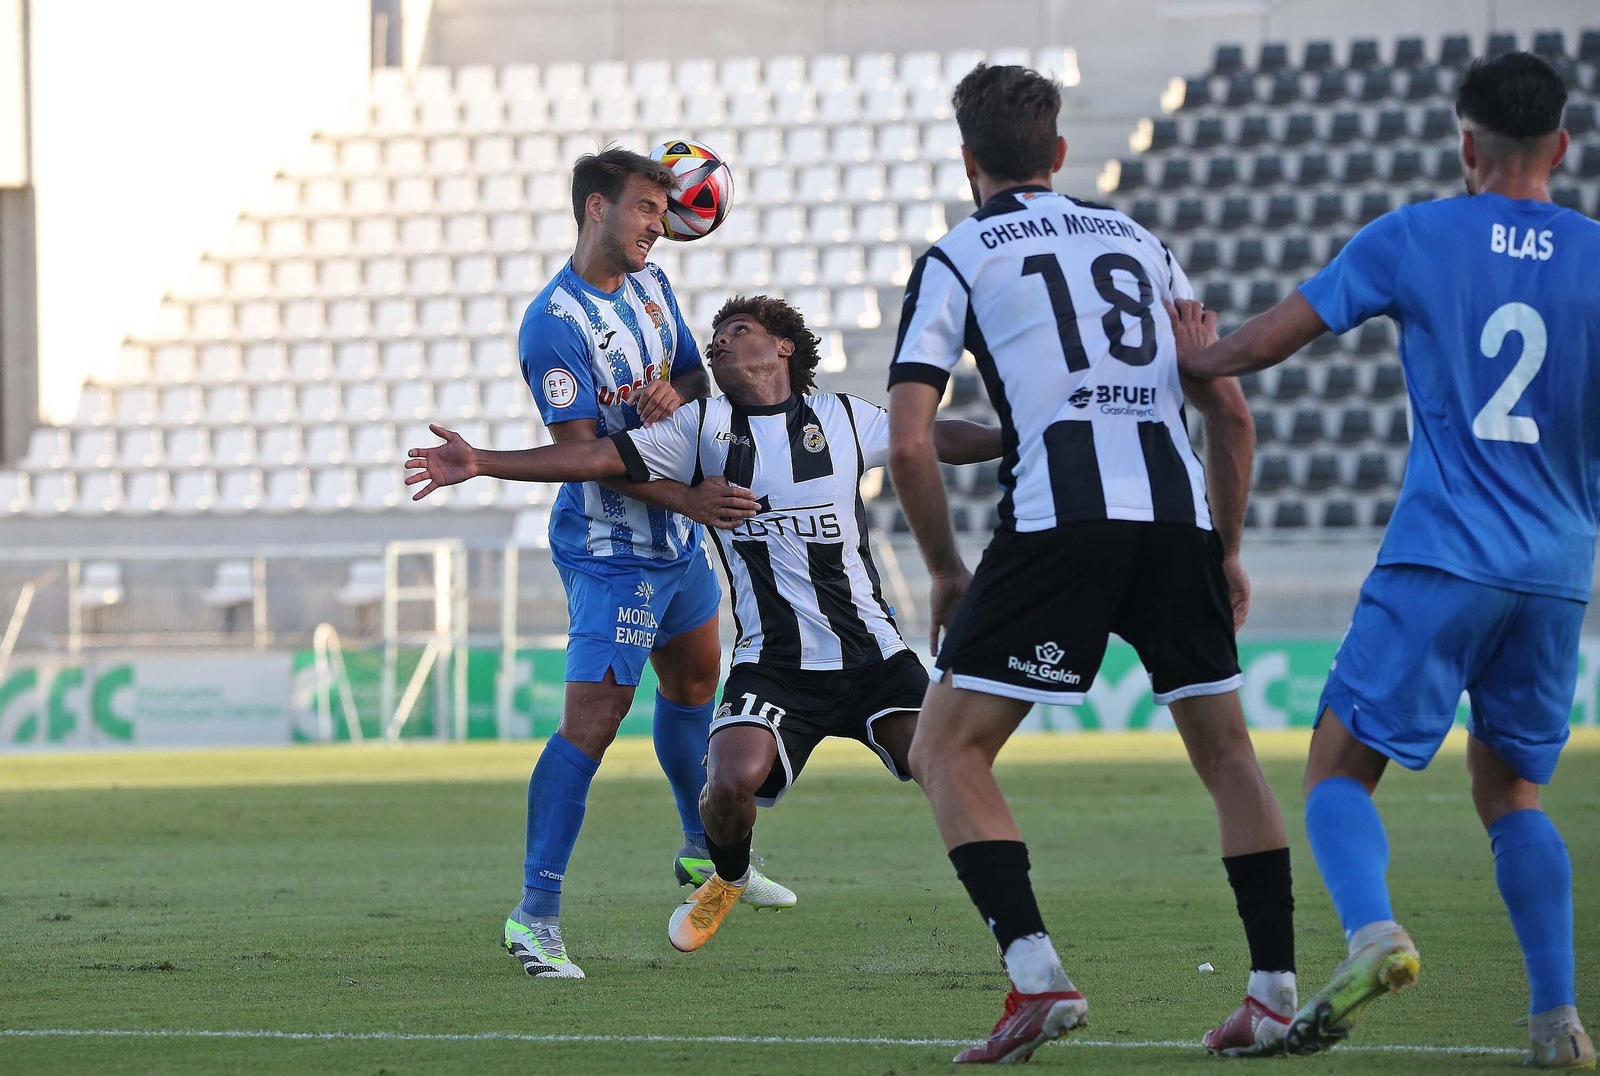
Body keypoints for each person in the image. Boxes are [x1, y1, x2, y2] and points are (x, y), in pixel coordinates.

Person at [1176, 52, 1595, 1067]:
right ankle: (1557, 1022)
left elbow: (1274, 336)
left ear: (1465, 145)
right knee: (1510, 794)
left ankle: (1373, 931)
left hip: (1440, 552)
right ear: (1562, 148)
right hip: (1556, 566)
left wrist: (1203, 356)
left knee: (1335, 767)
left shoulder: (1413, 232)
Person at [885, 63, 1296, 1064]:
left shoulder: (959, 253)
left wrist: (943, 569)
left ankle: (1035, 975)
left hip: (1057, 521)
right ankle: (1275, 994)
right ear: (1059, 153)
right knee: (1229, 753)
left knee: (948, 750)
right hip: (1173, 519)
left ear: (969, 157)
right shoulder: (1139, 243)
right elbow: (1227, 409)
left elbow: (907, 440)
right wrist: (1225, 545)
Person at [405, 295, 1002, 953]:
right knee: (726, 781)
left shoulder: (840, 417)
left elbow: (934, 438)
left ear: (782, 348)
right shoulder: (701, 428)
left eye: (737, 332)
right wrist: (484, 460)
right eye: (713, 337)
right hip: (774, 664)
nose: (717, 344)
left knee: (950, 762)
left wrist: (1016, 438)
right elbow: (594, 460)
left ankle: (1016, 922)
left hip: (874, 656)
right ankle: (728, 875)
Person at [504, 148, 793, 980]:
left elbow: (700, 385)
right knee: (592, 726)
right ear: (596, 208)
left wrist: (677, 398)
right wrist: (696, 498)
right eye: (642, 210)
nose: (657, 226)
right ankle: (535, 916)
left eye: (663, 212)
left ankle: (703, 854)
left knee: (697, 686)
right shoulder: (552, 327)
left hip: (676, 545)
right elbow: (587, 455)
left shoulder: (654, 287)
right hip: (611, 552)